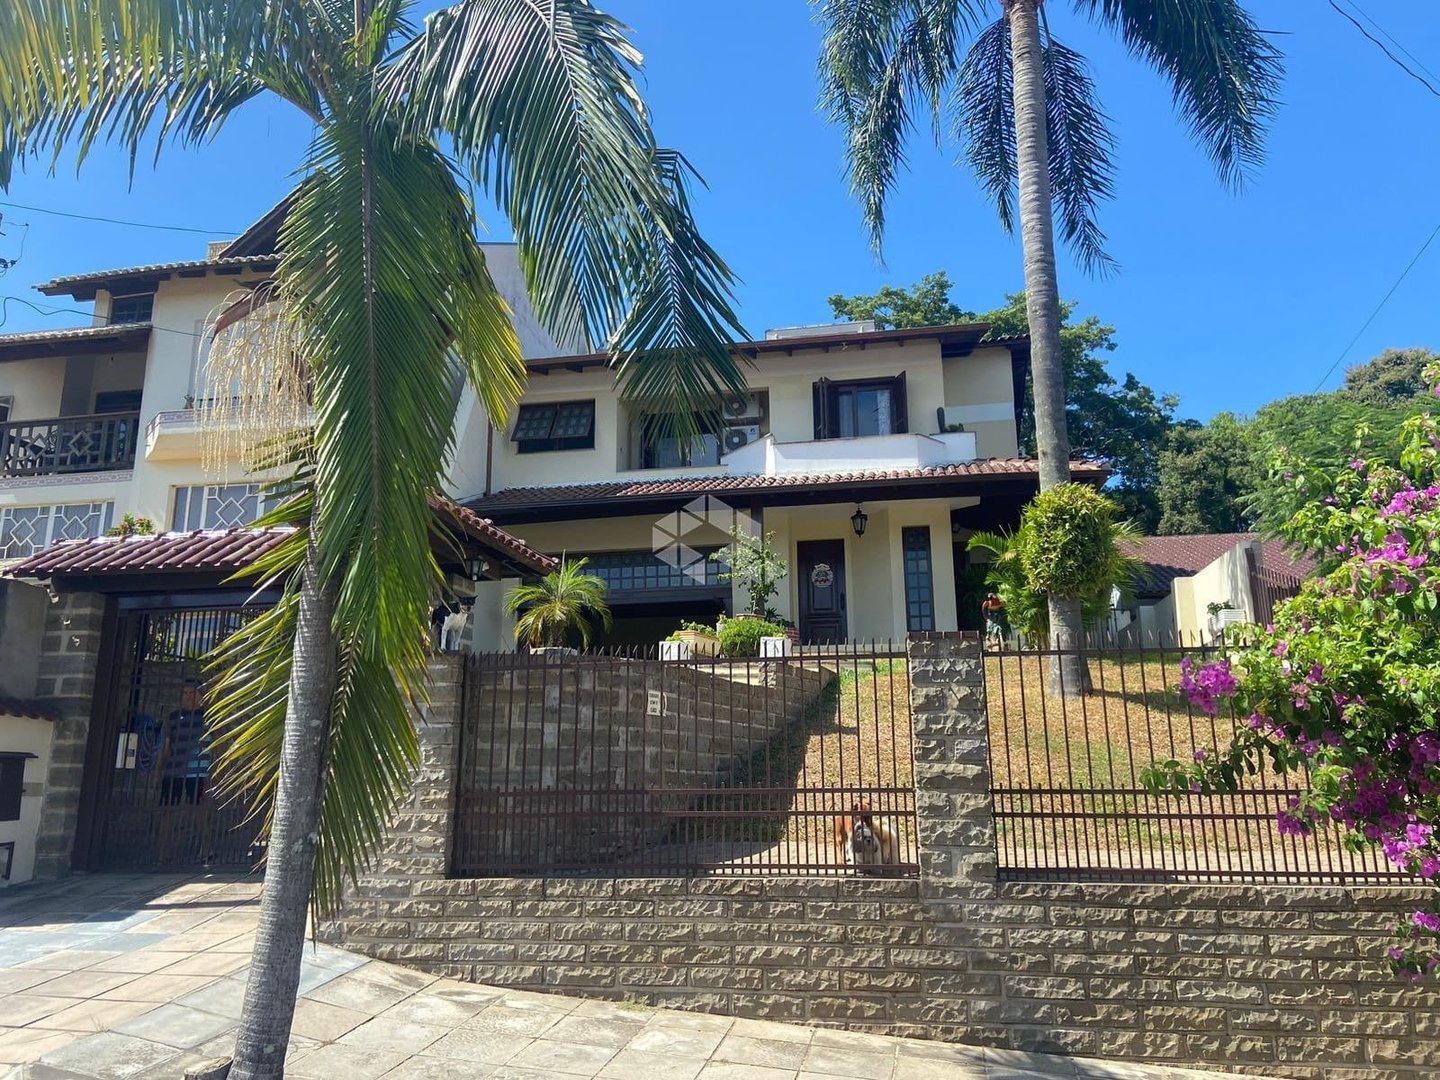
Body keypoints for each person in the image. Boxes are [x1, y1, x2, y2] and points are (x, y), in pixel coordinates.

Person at [160, 681, 210, 806]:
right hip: (173, 771)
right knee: (167, 808)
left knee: (197, 809)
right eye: (185, 693)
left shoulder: (209, 717)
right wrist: (159, 770)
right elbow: (165, 747)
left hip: (198, 773)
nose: (188, 696)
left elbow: (220, 746)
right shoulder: (173, 717)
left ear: (200, 695)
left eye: (192, 693)